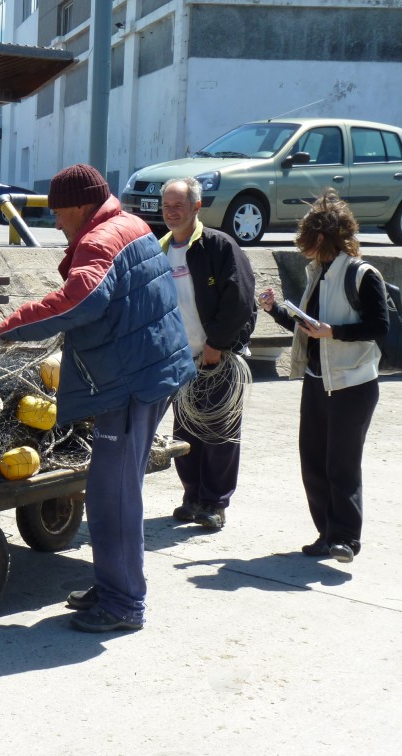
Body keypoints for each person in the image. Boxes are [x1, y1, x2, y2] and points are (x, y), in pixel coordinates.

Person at [0, 164, 195, 633]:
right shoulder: (129, 224)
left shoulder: (100, 239)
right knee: (115, 489)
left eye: (61, 213)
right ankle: (112, 584)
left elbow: (82, 299)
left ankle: (124, 602)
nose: (58, 223)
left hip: (129, 385)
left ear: (81, 206)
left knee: (114, 496)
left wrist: (16, 324)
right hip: (147, 372)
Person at [257, 189, 388, 564]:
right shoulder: (319, 272)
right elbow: (308, 327)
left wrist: (335, 332)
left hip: (353, 384)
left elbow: (380, 326)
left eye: (305, 239)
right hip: (317, 380)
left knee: (341, 464)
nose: (303, 247)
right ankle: (325, 534)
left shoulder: (362, 274)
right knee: (313, 461)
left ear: (319, 238)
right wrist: (275, 310)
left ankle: (346, 538)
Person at [158, 177, 257, 530]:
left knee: (219, 433)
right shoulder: (161, 249)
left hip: (217, 358)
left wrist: (217, 343)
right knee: (186, 432)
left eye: (178, 206)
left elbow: (241, 299)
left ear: (196, 207)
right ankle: (193, 496)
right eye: (166, 206)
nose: (171, 213)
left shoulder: (219, 246)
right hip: (180, 361)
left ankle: (215, 503)